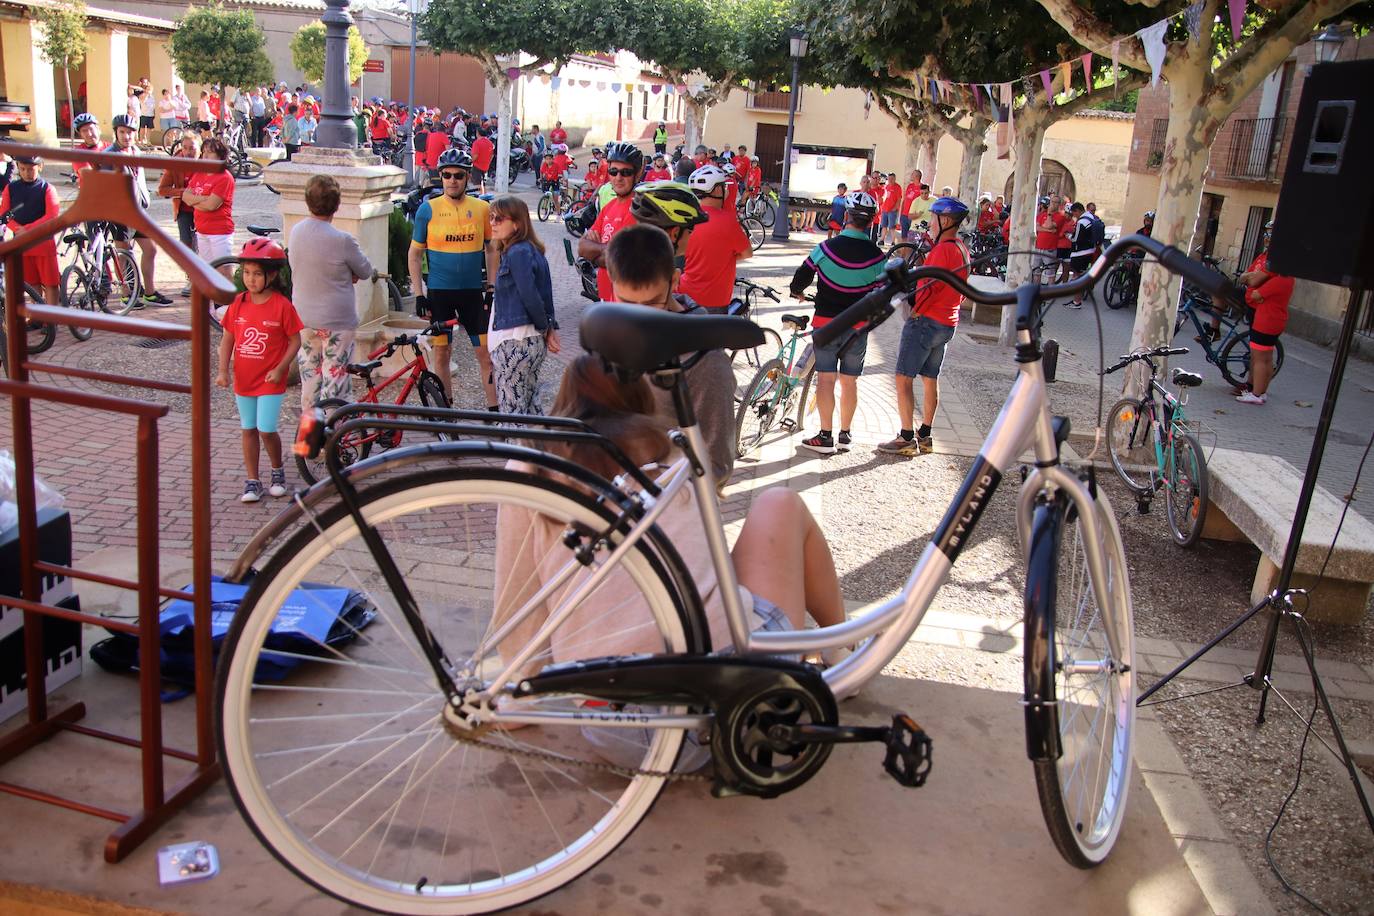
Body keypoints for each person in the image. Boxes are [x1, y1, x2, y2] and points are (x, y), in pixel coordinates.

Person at [492, 353, 848, 722]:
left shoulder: (530, 467)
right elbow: (705, 565)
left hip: (609, 720)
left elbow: (517, 594)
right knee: (780, 503)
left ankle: (835, 652)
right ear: (640, 398)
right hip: (728, 694)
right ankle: (840, 655)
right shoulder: (673, 455)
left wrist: (522, 688)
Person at [605, 224, 737, 484]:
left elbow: (716, 465)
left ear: (674, 280)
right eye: (628, 302)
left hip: (664, 502)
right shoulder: (612, 333)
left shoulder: (705, 359)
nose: (641, 316)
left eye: (652, 302)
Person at [790, 192, 885, 455]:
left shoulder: (825, 249)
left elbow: (802, 275)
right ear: (872, 221)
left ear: (846, 216)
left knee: (826, 379)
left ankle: (824, 436)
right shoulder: (877, 257)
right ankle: (845, 435)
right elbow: (884, 291)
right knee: (850, 382)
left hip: (826, 325)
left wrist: (797, 292)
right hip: (858, 329)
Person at [878, 197, 971, 457]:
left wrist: (916, 311)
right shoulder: (962, 248)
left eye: (933, 218)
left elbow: (928, 287)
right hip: (947, 322)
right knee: (930, 379)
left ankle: (906, 436)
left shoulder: (942, 250)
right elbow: (962, 289)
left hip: (926, 320)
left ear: (946, 220)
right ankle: (926, 435)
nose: (929, 223)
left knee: (903, 377)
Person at [408, 148, 498, 409]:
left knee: (485, 354)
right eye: (446, 175)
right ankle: (446, 413)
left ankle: (495, 415)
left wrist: (491, 288)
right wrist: (419, 295)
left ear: (468, 177)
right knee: (442, 353)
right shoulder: (428, 210)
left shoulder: (482, 208)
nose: (452, 180)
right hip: (440, 295)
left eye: (458, 175)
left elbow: (492, 249)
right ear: (440, 176)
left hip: (472, 294)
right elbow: (414, 254)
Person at [215, 238, 303, 503]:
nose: (251, 280)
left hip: (269, 380)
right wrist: (222, 370)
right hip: (244, 379)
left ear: (272, 275)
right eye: (247, 273)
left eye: (257, 274)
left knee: (266, 428)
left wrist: (281, 368)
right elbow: (227, 338)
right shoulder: (238, 303)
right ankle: (252, 481)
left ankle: (277, 472)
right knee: (248, 428)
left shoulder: (281, 306)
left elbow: (295, 340)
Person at [289, 174, 374, 413]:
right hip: (337, 318)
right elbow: (365, 270)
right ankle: (335, 438)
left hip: (305, 316)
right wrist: (349, 275)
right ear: (336, 205)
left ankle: (307, 439)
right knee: (335, 380)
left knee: (310, 379)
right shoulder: (343, 240)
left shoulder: (296, 232)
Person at [487, 195, 559, 414]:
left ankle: (515, 449)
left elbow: (530, 294)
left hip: (515, 341)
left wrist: (545, 326)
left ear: (517, 224)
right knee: (529, 410)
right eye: (491, 217)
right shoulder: (531, 251)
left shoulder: (518, 252)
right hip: (526, 341)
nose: (492, 223)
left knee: (513, 415)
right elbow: (545, 295)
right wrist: (548, 327)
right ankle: (536, 448)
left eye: (499, 218)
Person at [104, 115, 171, 307]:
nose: (126, 136)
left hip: (139, 210)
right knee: (124, 254)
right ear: (116, 132)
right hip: (120, 213)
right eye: (122, 132)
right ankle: (127, 294)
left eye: (130, 132)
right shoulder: (110, 155)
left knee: (150, 250)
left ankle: (149, 292)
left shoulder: (135, 151)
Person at [578, 141, 644, 303]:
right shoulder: (609, 207)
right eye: (613, 171)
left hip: (629, 303)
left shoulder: (641, 209)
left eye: (626, 172)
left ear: (637, 173)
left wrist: (595, 253)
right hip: (605, 299)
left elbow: (624, 259)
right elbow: (582, 246)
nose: (618, 178)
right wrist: (607, 252)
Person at [1235, 221, 1292, 405]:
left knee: (1259, 357)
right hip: (1274, 319)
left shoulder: (1279, 278)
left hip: (1266, 319)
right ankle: (1261, 392)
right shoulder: (1284, 277)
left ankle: (1256, 394)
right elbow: (1253, 282)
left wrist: (1256, 287)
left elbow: (1256, 290)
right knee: (1267, 357)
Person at [680, 166, 751, 310]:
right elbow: (747, 252)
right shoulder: (728, 221)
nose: (726, 191)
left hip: (684, 296)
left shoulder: (685, 218)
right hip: (714, 300)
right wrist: (723, 257)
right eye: (724, 187)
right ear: (717, 190)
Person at [0, 156, 62, 306]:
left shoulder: (47, 188)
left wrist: (27, 229)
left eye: (30, 169)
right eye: (22, 169)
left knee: (50, 283)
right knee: (31, 281)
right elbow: (5, 213)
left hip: (43, 242)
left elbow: (52, 215)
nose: (26, 172)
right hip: (22, 243)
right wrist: (16, 228)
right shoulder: (12, 188)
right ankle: (38, 316)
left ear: (40, 166)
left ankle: (52, 318)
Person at [182, 137, 236, 280]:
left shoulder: (225, 178)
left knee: (223, 271)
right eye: (204, 152)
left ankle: (228, 302)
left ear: (220, 156)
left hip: (220, 232)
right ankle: (211, 302)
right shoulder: (200, 173)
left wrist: (195, 201)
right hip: (202, 230)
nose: (205, 156)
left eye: (210, 152)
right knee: (207, 271)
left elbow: (212, 205)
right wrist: (203, 199)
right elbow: (185, 197)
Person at [156, 132, 201, 297]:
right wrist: (183, 192)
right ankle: (191, 278)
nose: (188, 152)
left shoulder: (206, 161)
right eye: (185, 148)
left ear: (199, 149)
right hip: (183, 210)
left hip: (203, 209)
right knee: (186, 244)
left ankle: (203, 278)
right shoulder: (175, 163)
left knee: (202, 245)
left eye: (192, 149)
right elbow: (162, 189)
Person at [1065, 202, 1094, 309]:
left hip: (1080, 253)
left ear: (1078, 211)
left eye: (1074, 214)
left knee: (1077, 277)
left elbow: (1075, 239)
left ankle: (1077, 302)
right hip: (1090, 251)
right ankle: (1077, 299)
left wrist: (1067, 235)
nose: (1074, 216)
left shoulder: (1081, 221)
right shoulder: (1091, 217)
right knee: (1079, 276)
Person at [1033, 195, 1062, 284]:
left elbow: (1049, 225)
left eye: (1055, 202)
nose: (1053, 204)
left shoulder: (1060, 216)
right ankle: (1036, 293)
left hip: (1049, 248)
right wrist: (1048, 230)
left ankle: (1050, 295)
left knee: (1050, 274)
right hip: (1038, 247)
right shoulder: (1042, 215)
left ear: (1059, 204)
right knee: (1036, 272)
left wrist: (1049, 214)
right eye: (1052, 202)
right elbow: (1037, 228)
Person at [879, 171, 903, 246]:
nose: (890, 180)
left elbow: (899, 198)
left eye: (892, 178)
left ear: (895, 179)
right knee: (884, 225)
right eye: (889, 178)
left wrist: (895, 208)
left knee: (892, 227)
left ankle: (893, 241)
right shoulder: (886, 186)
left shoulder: (897, 187)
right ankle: (882, 239)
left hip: (892, 210)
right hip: (884, 209)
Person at [899, 169, 923, 240]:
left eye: (912, 174)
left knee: (912, 237)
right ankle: (903, 250)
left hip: (913, 216)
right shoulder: (910, 186)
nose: (911, 176)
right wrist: (901, 213)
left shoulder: (922, 187)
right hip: (904, 215)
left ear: (917, 176)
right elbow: (905, 199)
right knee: (904, 236)